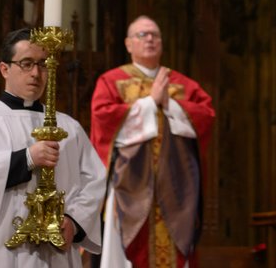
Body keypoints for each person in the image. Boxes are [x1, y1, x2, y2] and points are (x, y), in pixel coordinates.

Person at [90, 16, 215, 268]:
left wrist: (170, 103)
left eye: (155, 35)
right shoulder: (111, 80)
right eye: (142, 35)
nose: (149, 39)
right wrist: (150, 103)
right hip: (129, 183)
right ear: (128, 44)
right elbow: (103, 118)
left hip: (176, 184)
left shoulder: (180, 83)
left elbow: (206, 115)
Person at [0, 27, 106, 267]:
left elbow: (94, 181)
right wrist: (26, 158)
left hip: (55, 254)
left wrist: (74, 222)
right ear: (4, 69)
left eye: (43, 64)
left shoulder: (70, 127)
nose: (36, 73)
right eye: (26, 63)